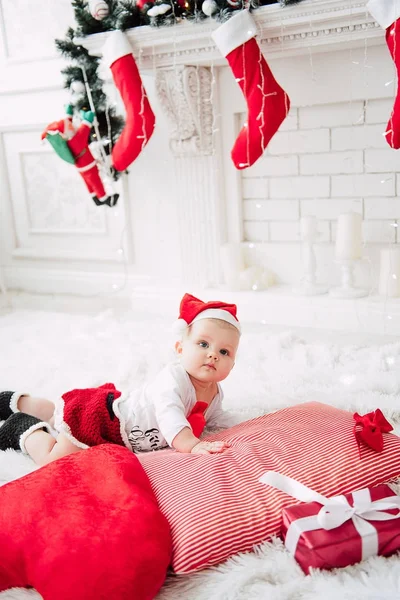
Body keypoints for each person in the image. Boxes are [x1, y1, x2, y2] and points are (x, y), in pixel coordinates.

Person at [0, 293, 241, 466]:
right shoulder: (173, 379)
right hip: (109, 421)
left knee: (57, 415)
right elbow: (170, 415)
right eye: (203, 344)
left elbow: (218, 419)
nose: (213, 355)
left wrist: (242, 429)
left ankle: (22, 404)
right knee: (55, 458)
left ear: (233, 362)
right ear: (180, 348)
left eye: (224, 352)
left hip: (123, 422)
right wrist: (192, 444)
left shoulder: (215, 392)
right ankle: (21, 425)